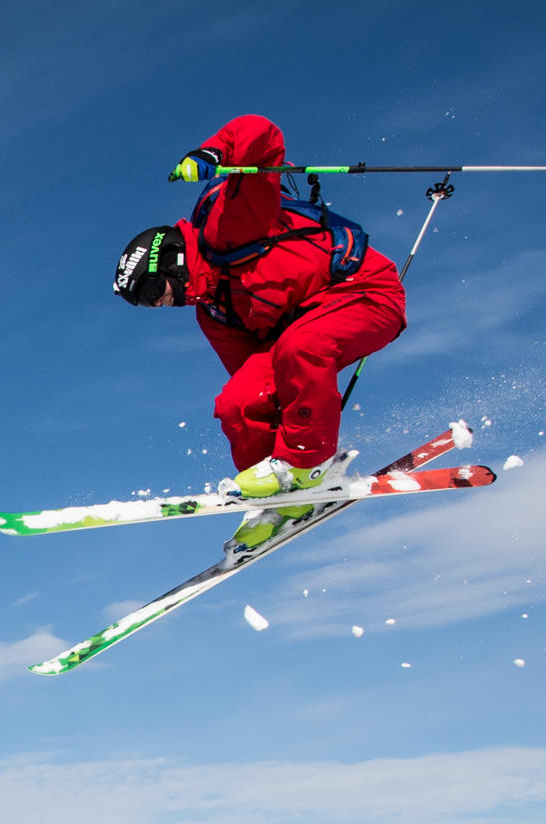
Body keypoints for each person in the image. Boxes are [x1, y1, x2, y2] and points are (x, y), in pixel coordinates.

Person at [112, 114, 408, 553]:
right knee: (236, 402)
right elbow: (261, 388)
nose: (157, 303)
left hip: (365, 292)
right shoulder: (214, 313)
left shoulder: (229, 227)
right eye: (144, 302)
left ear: (171, 258)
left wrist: (213, 152)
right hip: (308, 329)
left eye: (153, 288)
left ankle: (306, 465)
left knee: (299, 345)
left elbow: (262, 135)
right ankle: (282, 498)